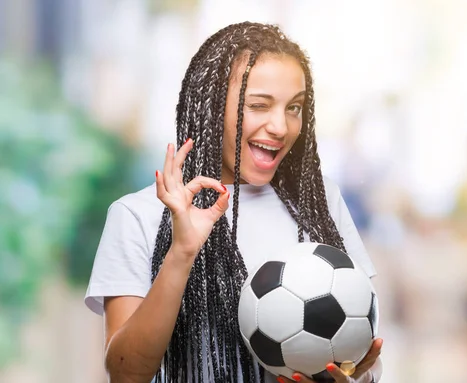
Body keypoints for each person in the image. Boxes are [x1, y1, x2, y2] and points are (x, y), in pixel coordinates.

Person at [84, 22, 383, 383]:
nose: (281, 127)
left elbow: (361, 349)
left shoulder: (320, 202)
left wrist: (355, 375)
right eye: (259, 105)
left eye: (294, 107)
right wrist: (181, 253)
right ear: (211, 107)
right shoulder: (138, 216)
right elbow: (126, 374)